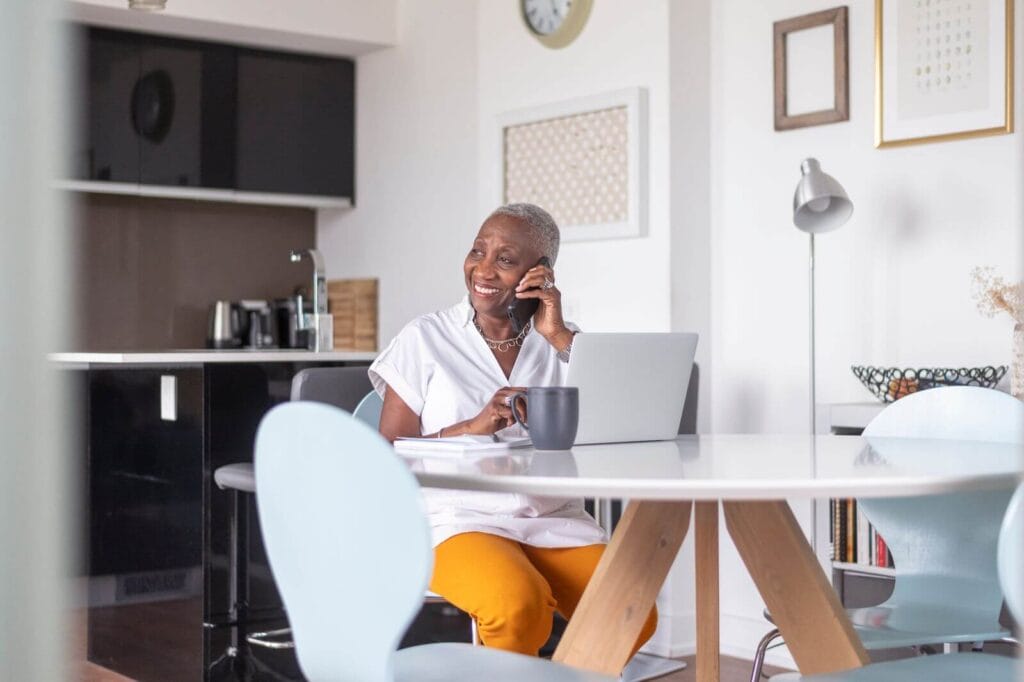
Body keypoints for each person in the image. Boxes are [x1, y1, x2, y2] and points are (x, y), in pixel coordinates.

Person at [368, 203, 657, 656]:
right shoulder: (424, 337)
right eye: (477, 251)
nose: (482, 269)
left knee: (632, 612)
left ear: (539, 272)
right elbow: (386, 451)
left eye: (504, 259)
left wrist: (557, 334)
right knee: (517, 607)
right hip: (457, 519)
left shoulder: (562, 341)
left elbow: (613, 426)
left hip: (550, 516)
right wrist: (471, 427)